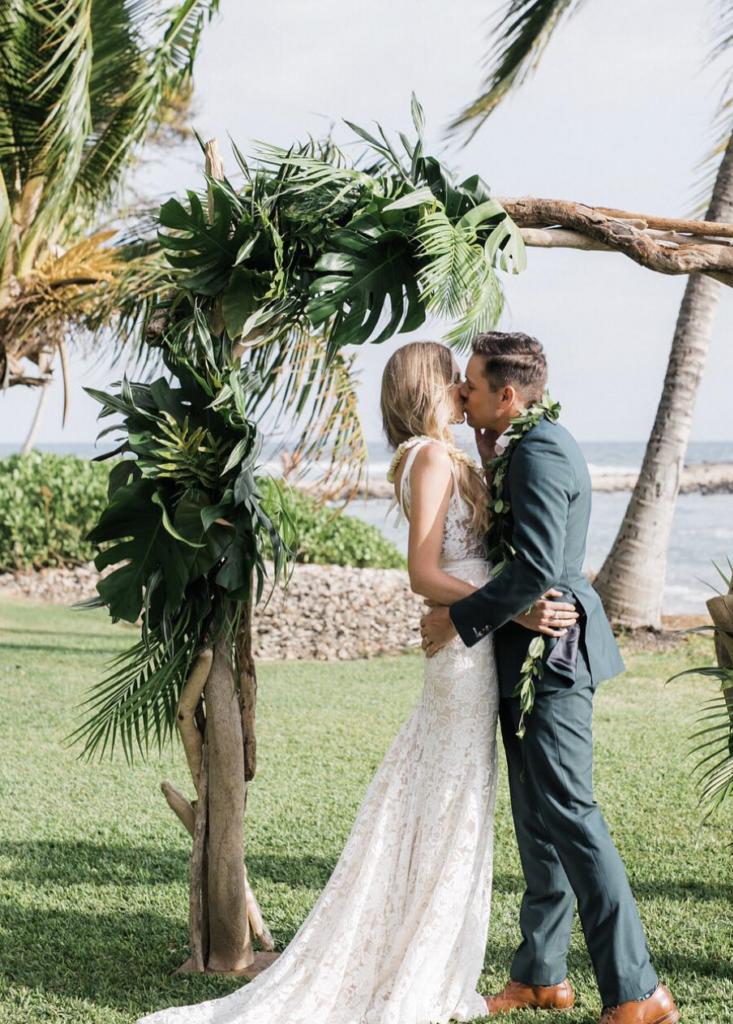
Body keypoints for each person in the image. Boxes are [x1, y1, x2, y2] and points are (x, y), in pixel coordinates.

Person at [136, 339, 575, 1024]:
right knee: (449, 804)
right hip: (462, 653)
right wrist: (512, 605)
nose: (465, 389)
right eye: (453, 381)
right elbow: (424, 575)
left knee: (451, 799)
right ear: (430, 389)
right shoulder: (428, 459)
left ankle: (425, 952)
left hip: (470, 643)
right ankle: (417, 965)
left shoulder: (440, 454)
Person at [420, 332, 679, 1024]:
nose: (461, 393)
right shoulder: (518, 446)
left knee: (571, 815)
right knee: (537, 822)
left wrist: (457, 618)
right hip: (524, 653)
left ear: (509, 396)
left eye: (471, 384)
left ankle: (637, 990)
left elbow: (536, 568)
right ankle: (539, 975)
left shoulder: (537, 452)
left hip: (555, 658)